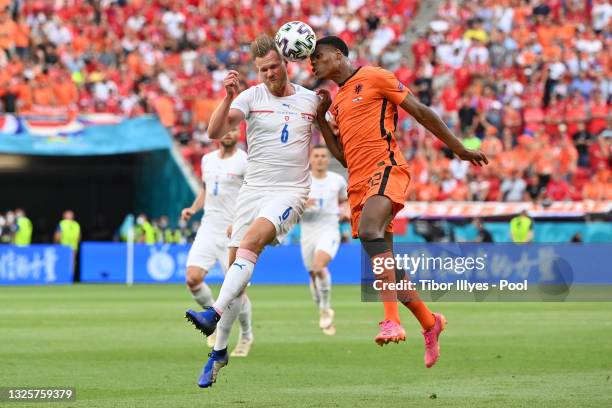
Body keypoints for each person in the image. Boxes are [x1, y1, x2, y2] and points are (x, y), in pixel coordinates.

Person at [310, 36, 488, 368]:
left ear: (338, 54)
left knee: (369, 232)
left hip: (387, 168)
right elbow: (344, 158)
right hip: (359, 182)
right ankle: (429, 322)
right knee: (386, 266)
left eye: (318, 57)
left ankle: (391, 320)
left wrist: (459, 147)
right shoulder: (337, 103)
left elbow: (420, 111)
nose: (313, 64)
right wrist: (322, 118)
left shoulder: (375, 77)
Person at [184, 35, 323, 388]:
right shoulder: (250, 97)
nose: (268, 74)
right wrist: (228, 95)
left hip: (290, 191)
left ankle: (212, 314)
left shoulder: (310, 100)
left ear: (286, 63)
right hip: (252, 192)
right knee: (236, 274)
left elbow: (333, 137)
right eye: (262, 70)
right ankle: (218, 352)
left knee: (252, 243)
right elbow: (215, 131)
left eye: (273, 67)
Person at [181, 129, 253, 354]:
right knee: (193, 279)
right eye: (225, 129)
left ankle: (246, 335)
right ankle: (212, 320)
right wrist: (193, 209)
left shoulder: (245, 161)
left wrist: (242, 222)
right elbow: (206, 189)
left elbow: (253, 194)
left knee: (237, 290)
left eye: (232, 128)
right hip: (209, 228)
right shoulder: (207, 159)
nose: (228, 133)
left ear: (239, 133)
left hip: (235, 231)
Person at [300, 145, 348, 336]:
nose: (320, 159)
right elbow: (289, 202)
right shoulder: (302, 181)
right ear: (310, 159)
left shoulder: (337, 180)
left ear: (328, 159)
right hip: (307, 231)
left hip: (329, 229)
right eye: (316, 156)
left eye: (323, 156)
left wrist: (346, 210)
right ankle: (321, 307)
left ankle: (326, 308)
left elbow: (345, 200)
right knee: (313, 274)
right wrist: (301, 203)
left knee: (320, 266)